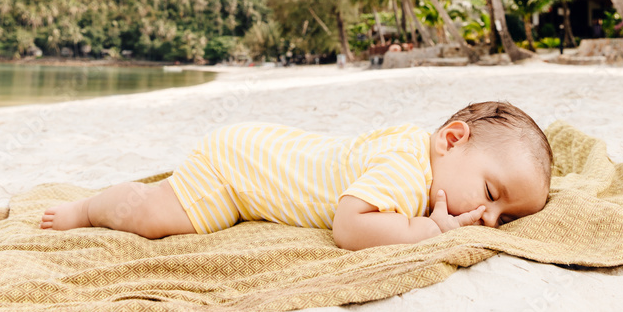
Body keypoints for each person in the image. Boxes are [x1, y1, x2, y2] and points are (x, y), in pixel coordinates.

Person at [40, 101, 552, 251]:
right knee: (155, 215)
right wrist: (432, 230)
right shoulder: (409, 170)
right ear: (452, 139)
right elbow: (350, 228)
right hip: (237, 171)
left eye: (503, 218)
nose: (487, 217)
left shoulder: (423, 152)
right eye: (490, 194)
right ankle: (87, 209)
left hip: (267, 149)